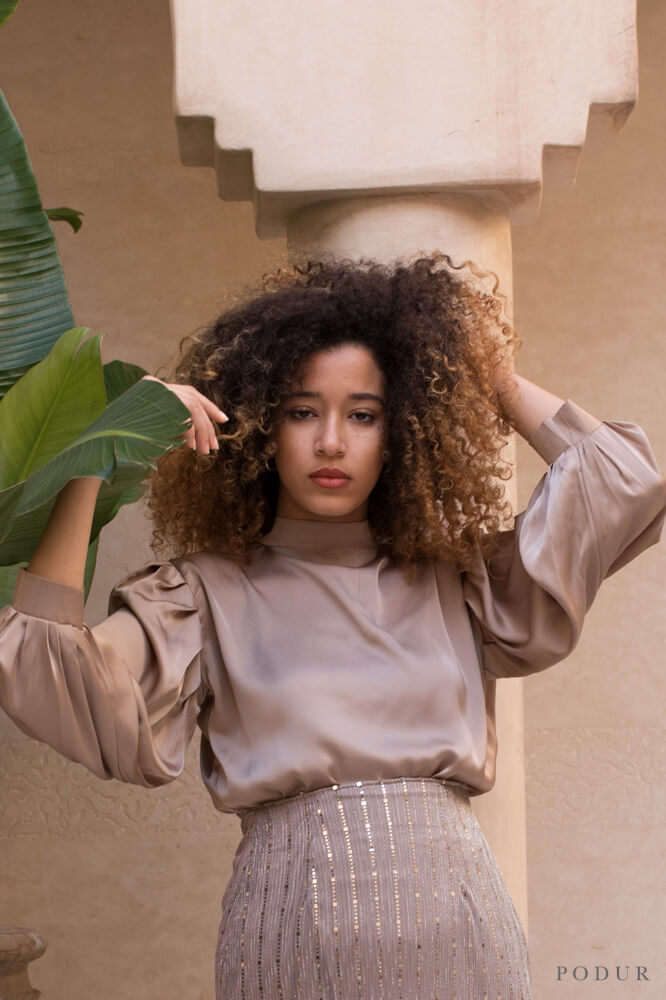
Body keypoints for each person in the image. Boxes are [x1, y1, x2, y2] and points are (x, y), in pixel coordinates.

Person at [1, 255, 664, 1000]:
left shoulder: (456, 578)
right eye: (300, 411)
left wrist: (480, 374)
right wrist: (103, 448)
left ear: (403, 429)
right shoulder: (202, 595)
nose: (330, 443)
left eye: (364, 414)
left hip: (462, 936)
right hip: (290, 935)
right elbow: (43, 664)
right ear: (260, 424)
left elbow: (621, 480)